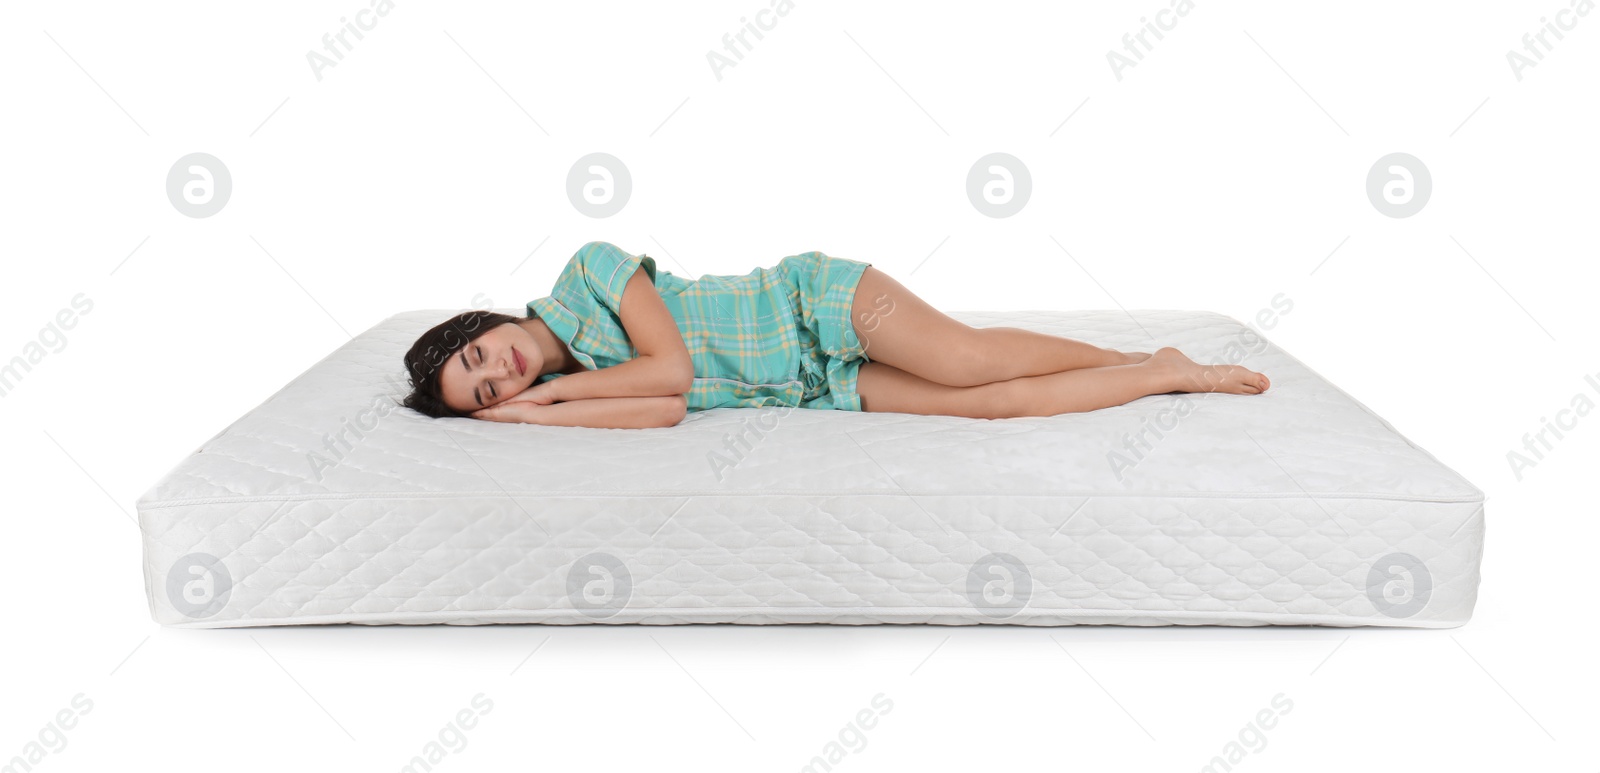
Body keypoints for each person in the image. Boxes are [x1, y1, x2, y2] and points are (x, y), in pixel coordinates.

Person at [400, 241, 1268, 429]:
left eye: (479, 353)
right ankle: (1160, 372)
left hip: (814, 306)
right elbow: (664, 412)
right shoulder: (560, 395)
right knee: (992, 405)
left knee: (965, 357)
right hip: (804, 383)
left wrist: (549, 392)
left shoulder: (587, 273)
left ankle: (1136, 357)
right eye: (486, 391)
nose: (499, 371)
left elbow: (672, 369)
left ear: (484, 324)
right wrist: (531, 415)